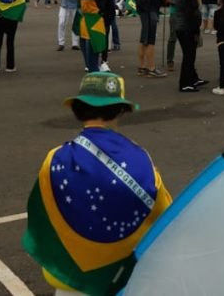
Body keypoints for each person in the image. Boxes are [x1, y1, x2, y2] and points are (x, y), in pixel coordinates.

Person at [23, 72, 172, 296]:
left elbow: (41, 212)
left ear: (79, 109)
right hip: (119, 281)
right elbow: (164, 213)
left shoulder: (55, 158)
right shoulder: (139, 159)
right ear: (120, 110)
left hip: (67, 279)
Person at [68, 0, 110, 74]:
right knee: (86, 54)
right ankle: (92, 72)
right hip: (85, 22)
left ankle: (95, 74)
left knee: (92, 55)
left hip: (95, 24)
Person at [174, 0, 208, 92]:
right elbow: (192, 14)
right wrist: (196, 31)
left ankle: (193, 78)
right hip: (186, 29)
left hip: (182, 27)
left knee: (189, 55)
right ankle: (185, 83)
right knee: (189, 56)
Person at [134, 0, 167, 78]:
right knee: (149, 40)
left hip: (150, 9)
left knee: (144, 39)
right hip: (148, 10)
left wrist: (163, 0)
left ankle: (142, 67)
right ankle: (151, 68)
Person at [162, 0, 187, 71]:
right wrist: (174, 2)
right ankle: (170, 61)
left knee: (187, 38)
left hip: (187, 14)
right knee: (173, 37)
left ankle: (187, 60)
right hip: (175, 13)